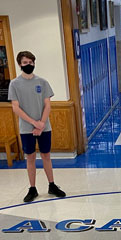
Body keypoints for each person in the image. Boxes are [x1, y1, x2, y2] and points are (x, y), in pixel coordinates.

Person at [8, 51, 66, 202]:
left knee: (46, 155)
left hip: (44, 127)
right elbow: (15, 107)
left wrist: (41, 123)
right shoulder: (14, 84)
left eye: (31, 62)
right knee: (30, 157)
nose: (29, 65)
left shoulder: (42, 82)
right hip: (26, 128)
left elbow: (47, 104)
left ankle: (52, 185)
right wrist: (34, 123)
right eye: (25, 63)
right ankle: (32, 188)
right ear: (20, 64)